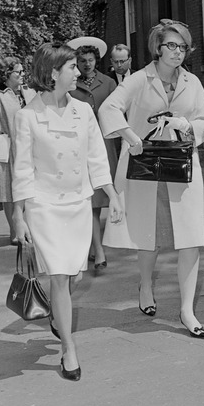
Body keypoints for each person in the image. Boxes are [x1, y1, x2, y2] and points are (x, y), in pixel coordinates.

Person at [11, 42, 123, 381]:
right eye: (72, 67)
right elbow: (22, 169)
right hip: (44, 205)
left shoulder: (83, 111)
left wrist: (111, 193)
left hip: (77, 204)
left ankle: (58, 314)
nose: (79, 72)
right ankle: (68, 349)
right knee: (60, 275)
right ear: (53, 73)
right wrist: (18, 215)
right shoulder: (27, 116)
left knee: (73, 275)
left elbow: (96, 157)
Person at [99, 20, 204, 339]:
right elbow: (109, 108)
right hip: (146, 166)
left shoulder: (192, 83)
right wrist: (130, 136)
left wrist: (187, 125)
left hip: (182, 167)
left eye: (183, 47)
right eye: (171, 46)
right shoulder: (138, 80)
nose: (178, 52)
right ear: (157, 48)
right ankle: (146, 285)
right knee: (149, 234)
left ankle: (187, 310)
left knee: (190, 238)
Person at [67, 37, 118, 271]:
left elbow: (118, 113)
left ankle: (94, 247)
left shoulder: (108, 83)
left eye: (90, 60)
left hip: (104, 146)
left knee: (97, 200)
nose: (87, 64)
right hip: (79, 147)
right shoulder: (71, 85)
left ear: (97, 60)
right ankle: (97, 249)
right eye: (82, 61)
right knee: (88, 202)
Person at [0, 57, 35, 244]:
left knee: (31, 187)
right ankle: (15, 230)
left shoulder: (28, 92)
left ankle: (29, 225)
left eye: (22, 71)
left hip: (31, 146)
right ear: (6, 75)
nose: (22, 75)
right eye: (17, 72)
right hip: (8, 148)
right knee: (10, 190)